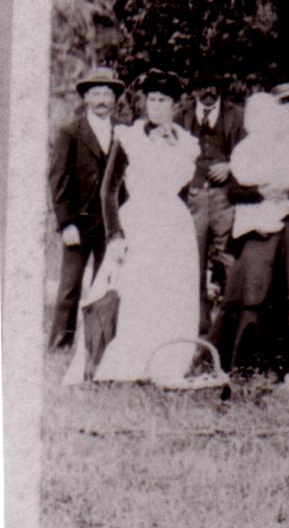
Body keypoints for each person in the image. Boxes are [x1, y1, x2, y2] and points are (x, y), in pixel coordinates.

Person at [71, 70, 202, 385]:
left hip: (173, 225)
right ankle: (130, 361)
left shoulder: (186, 143)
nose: (156, 106)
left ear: (175, 106)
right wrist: (115, 235)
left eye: (163, 101)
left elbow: (181, 190)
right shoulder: (128, 137)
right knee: (137, 291)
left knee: (171, 291)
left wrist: (178, 220)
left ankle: (168, 359)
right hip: (139, 221)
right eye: (151, 100)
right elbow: (108, 191)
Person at [211, 92, 289, 373]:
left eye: (267, 115)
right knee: (254, 284)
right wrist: (262, 189)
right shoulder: (245, 148)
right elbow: (241, 180)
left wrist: (275, 185)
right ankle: (243, 358)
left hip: (287, 214)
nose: (261, 121)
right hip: (256, 218)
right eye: (255, 115)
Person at [48, 65, 124, 351]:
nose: (102, 99)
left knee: (106, 283)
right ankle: (60, 343)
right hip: (78, 224)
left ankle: (99, 342)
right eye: (96, 93)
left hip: (110, 223)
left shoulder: (122, 132)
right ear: (86, 98)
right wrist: (66, 223)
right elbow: (58, 179)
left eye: (107, 93)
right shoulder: (71, 131)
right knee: (70, 286)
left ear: (115, 99)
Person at [175, 70, 245, 320]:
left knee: (230, 259)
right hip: (193, 198)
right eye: (202, 86)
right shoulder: (180, 116)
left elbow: (248, 154)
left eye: (213, 86)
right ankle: (198, 324)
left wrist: (230, 166)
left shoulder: (236, 116)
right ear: (193, 90)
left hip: (225, 199)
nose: (208, 92)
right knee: (193, 260)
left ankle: (234, 322)